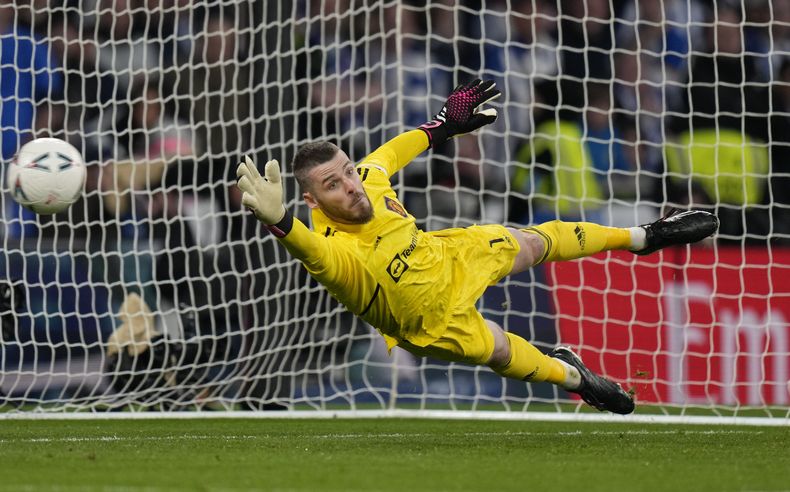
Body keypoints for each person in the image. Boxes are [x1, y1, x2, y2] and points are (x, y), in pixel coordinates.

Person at [235, 79, 719, 415]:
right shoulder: (335, 249)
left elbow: (391, 152)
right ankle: (577, 379)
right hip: (426, 320)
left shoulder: (366, 179)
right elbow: (309, 252)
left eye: (346, 172)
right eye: (332, 184)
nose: (351, 186)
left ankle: (646, 236)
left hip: (446, 253)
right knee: (504, 352)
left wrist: (443, 126)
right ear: (311, 199)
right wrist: (279, 220)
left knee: (532, 241)